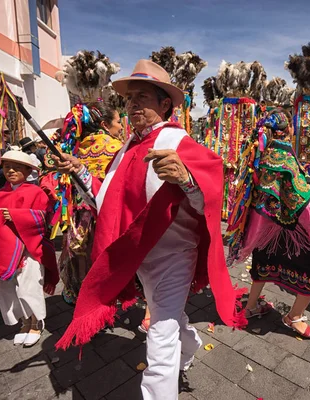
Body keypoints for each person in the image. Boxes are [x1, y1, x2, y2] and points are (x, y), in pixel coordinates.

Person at [53, 60, 246, 399]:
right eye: (129, 99)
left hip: (174, 256)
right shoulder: (127, 148)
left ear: (164, 104)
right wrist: (80, 171)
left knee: (159, 335)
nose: (133, 105)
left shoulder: (180, 143)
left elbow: (212, 203)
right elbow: (107, 200)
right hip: (137, 255)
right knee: (165, 315)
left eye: (142, 97)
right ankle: (189, 343)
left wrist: (186, 178)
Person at [227, 109, 310, 339]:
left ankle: (251, 307)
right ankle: (293, 317)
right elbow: (302, 198)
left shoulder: (261, 155)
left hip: (266, 229)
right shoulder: (284, 156)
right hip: (290, 231)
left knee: (263, 262)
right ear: (289, 129)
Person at [0, 150, 58, 347]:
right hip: (4, 250)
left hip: (28, 248)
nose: (11, 170)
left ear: (28, 171)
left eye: (17, 167)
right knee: (7, 288)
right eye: (8, 166)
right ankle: (24, 323)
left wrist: (18, 216)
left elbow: (44, 220)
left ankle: (36, 322)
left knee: (29, 285)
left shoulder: (36, 192)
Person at [43, 101, 124, 305]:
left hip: (77, 215)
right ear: (105, 125)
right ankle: (105, 298)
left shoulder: (75, 147)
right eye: (118, 121)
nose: (121, 126)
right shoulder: (117, 147)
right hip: (104, 212)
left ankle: (81, 296)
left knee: (81, 257)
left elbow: (49, 164)